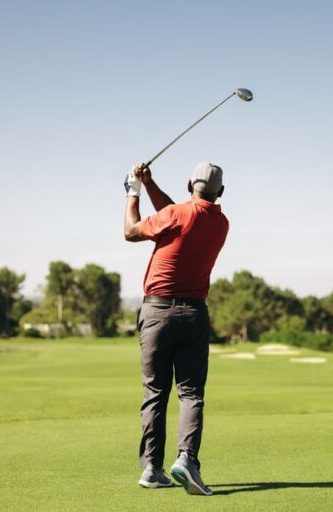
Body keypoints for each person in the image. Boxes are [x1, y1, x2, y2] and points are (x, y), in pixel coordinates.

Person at [123, 161, 229, 496]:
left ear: (189, 184)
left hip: (156, 313)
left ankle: (152, 468)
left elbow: (131, 231)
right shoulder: (221, 222)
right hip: (194, 315)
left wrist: (134, 191)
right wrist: (151, 184)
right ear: (221, 192)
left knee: (156, 393)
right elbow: (176, 213)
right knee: (191, 393)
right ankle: (187, 460)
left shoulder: (176, 215)